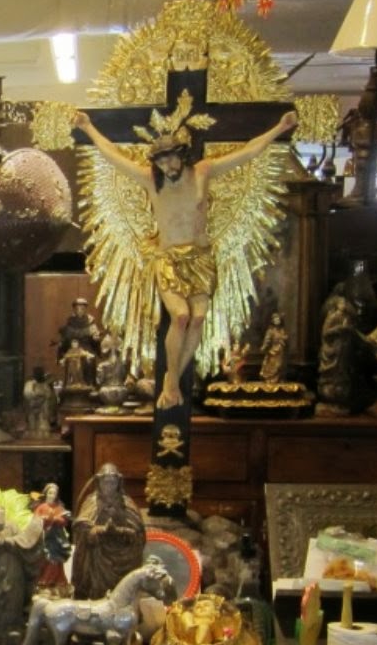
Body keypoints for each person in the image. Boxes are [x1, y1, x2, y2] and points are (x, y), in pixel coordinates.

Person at [74, 102, 296, 407]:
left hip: (200, 258)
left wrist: (280, 128)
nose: (167, 167)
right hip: (168, 259)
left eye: (170, 159)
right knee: (180, 317)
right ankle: (172, 382)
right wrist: (88, 127)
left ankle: (172, 380)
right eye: (161, 161)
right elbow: (113, 156)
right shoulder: (150, 180)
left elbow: (247, 153)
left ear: (182, 154)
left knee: (199, 317)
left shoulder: (202, 172)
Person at [69, 463, 146, 600]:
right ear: (99, 482)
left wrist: (119, 530)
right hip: (97, 554)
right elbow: (81, 526)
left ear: (118, 483)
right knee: (89, 560)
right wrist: (97, 530)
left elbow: (138, 532)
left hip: (121, 553)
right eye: (105, 482)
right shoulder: (91, 502)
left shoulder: (126, 503)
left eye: (112, 483)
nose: (109, 486)